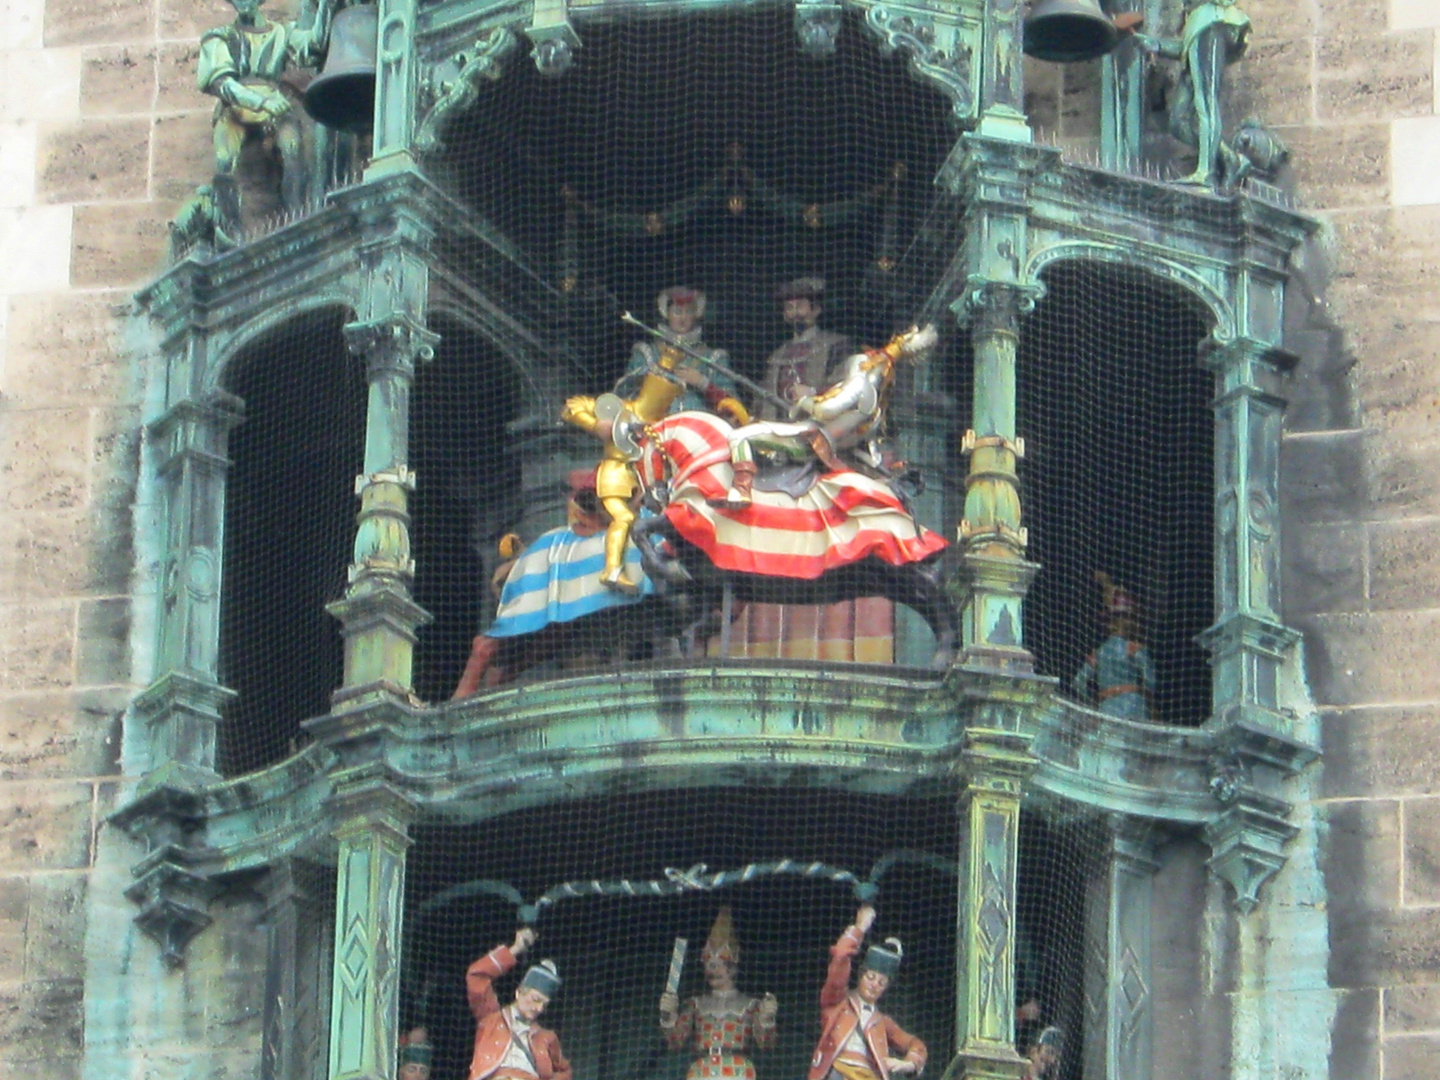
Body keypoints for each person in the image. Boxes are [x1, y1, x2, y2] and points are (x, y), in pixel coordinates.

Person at [721, 325, 937, 508]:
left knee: (739, 436)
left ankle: (741, 491)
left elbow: (827, 409)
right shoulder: (877, 404)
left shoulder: (862, 385)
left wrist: (803, 401)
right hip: (817, 437)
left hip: (809, 440)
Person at [197, 0, 333, 217]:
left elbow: (312, 45)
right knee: (224, 160)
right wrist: (262, 103)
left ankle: (295, 215)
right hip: (236, 106)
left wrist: (327, 7)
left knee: (292, 147)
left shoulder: (280, 32)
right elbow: (222, 84)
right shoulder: (220, 36)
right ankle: (227, 226)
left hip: (274, 101)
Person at [1136, 0, 1251, 187]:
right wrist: (1157, 45)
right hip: (1201, 29)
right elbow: (1187, 47)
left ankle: (1206, 172)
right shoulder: (1195, 17)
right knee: (1177, 123)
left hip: (1212, 25)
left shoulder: (1207, 15)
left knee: (1206, 101)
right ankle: (1229, 158)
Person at [807, 904, 926, 1080]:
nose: (874, 985)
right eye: (870, 977)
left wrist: (908, 1063)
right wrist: (859, 928)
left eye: (881, 982)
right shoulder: (837, 1002)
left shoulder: (883, 1022)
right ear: (861, 975)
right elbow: (840, 956)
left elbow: (915, 1044)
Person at [659, 908, 778, 1080]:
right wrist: (667, 1016)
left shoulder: (750, 1004)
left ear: (732, 967)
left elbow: (765, 1043)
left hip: (737, 1070)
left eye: (716, 965)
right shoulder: (695, 1004)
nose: (710, 970)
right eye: (708, 964)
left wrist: (767, 1017)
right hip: (702, 1070)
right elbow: (675, 1041)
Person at [617, 287, 745, 418]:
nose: (683, 318)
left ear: (696, 315)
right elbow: (625, 392)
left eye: (689, 312)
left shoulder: (714, 358)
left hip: (699, 430)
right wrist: (652, 376)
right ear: (667, 314)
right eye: (677, 312)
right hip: (655, 427)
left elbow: (733, 407)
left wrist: (703, 383)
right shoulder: (646, 353)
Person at [465, 927, 571, 1080]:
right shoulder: (491, 1018)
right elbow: (477, 976)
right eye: (536, 1000)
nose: (539, 1008)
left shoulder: (546, 1037)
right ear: (519, 992)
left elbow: (564, 1072)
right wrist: (515, 949)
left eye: (545, 1004)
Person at [759, 277, 853, 420]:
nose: (795, 312)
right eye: (789, 307)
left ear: (816, 310)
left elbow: (847, 386)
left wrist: (814, 392)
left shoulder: (835, 345)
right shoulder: (777, 356)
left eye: (800, 306)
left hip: (819, 425)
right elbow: (762, 398)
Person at [1073, 573, 1155, 721]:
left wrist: (1095, 700)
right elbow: (1151, 681)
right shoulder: (1134, 648)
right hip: (1134, 706)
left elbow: (1079, 682)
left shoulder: (1098, 654)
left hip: (1107, 707)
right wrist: (1141, 691)